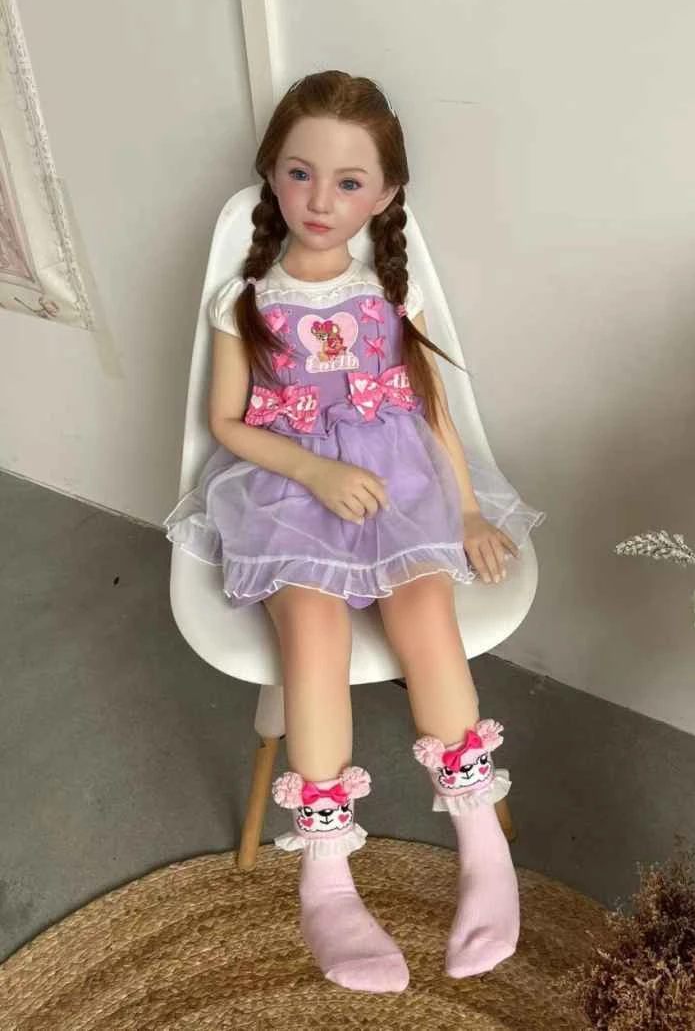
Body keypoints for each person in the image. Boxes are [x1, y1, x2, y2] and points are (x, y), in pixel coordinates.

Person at [166, 70, 544, 994]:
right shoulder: (246, 300)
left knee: (425, 615)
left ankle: (480, 838)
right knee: (313, 630)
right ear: (271, 172)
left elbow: (432, 407)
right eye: (299, 173)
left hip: (398, 482)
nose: (320, 200)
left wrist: (464, 508)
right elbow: (227, 423)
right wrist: (313, 471)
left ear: (383, 194)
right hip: (289, 488)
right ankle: (327, 872)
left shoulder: (388, 293)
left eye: (347, 182)